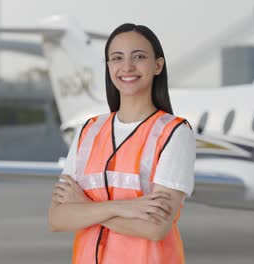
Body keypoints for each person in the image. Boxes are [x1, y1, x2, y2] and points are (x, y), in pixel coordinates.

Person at [48, 23, 195, 264]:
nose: (127, 67)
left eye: (139, 56)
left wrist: (85, 207)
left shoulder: (175, 133)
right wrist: (122, 208)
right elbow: (57, 218)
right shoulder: (88, 131)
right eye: (117, 58)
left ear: (158, 65)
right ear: (108, 67)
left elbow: (156, 229)